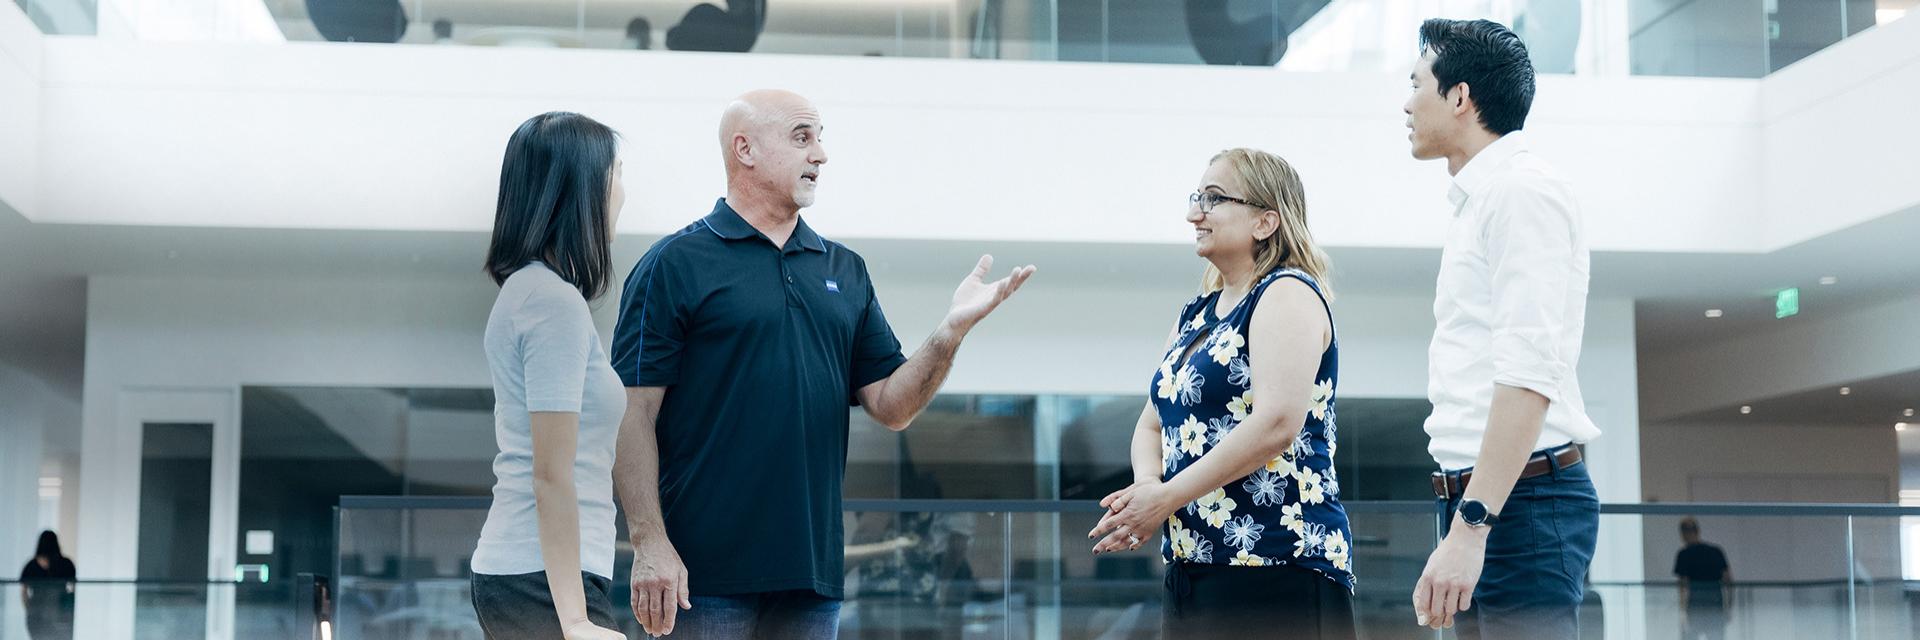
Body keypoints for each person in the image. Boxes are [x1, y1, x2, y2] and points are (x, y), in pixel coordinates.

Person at [609, 89, 1034, 639]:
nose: (821, 154)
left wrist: (950, 332)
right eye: (802, 137)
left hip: (812, 581)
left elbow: (892, 406)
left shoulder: (845, 270)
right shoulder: (675, 263)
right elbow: (631, 411)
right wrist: (649, 542)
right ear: (745, 150)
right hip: (699, 579)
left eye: (820, 137)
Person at [1087, 148, 1354, 639]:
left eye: (1214, 199)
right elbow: (1152, 422)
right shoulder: (1195, 316)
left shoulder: (1287, 292)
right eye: (1197, 198)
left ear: (1265, 221)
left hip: (1278, 568)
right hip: (1195, 572)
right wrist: (1148, 485)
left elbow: (1276, 424)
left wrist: (1164, 498)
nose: (1195, 214)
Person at [1402, 18, 1601, 640]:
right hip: (1485, 502)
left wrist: (1471, 528)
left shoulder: (1520, 193)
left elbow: (1528, 377)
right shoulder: (1481, 198)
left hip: (1519, 507)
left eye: (1417, 85)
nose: (1406, 105)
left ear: (1459, 97)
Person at [468, 111, 628, 640]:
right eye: (615, 175)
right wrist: (576, 618)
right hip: (541, 580)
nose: (621, 193)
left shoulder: (537, 293)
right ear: (580, 190)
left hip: (540, 575)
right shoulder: (550, 302)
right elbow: (550, 474)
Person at [1673, 517, 1732, 640]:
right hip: (1716, 604)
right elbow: (1728, 581)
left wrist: (1682, 612)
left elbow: (1682, 586)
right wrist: (1729, 607)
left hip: (1695, 605)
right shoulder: (1716, 551)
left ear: (1684, 534)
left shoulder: (1683, 555)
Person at [18, 530, 77, 640]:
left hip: (40, 613)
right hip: (60, 613)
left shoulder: (31, 565)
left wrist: (29, 609)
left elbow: (23, 592)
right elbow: (73, 589)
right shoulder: (66, 564)